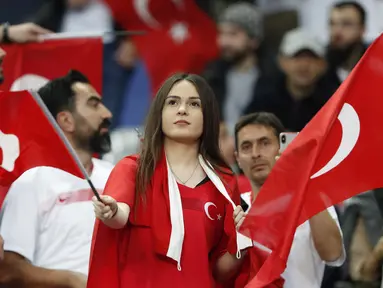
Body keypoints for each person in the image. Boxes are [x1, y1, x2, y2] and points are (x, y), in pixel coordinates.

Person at [89, 73, 250, 287]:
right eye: (173, 102)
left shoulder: (224, 182)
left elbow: (220, 272)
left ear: (208, 116)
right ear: (160, 113)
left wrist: (244, 239)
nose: (182, 109)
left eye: (194, 104)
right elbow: (119, 215)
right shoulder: (133, 169)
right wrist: (111, 211)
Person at [0, 70, 114, 288]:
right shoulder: (31, 181)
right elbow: (7, 270)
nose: (107, 113)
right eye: (94, 104)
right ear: (66, 120)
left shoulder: (115, 174)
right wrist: (73, 280)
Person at [234, 112, 345, 288]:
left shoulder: (312, 198)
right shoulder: (233, 209)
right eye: (247, 146)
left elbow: (333, 254)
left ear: (281, 149)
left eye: (265, 143)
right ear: (238, 159)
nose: (256, 153)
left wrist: (303, 185)